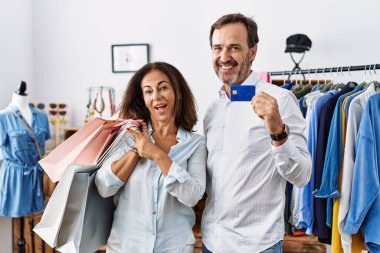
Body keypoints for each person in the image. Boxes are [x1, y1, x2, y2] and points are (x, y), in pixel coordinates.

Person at [201, 13, 312, 253]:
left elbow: (302, 175)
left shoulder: (281, 100)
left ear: (252, 52)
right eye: (217, 48)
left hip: (257, 245)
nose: (224, 57)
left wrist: (277, 131)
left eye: (234, 48)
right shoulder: (211, 109)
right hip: (212, 241)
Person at [95, 61, 207, 253]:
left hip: (174, 246)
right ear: (143, 99)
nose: (156, 97)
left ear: (177, 92)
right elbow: (104, 187)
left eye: (163, 88)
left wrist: (156, 154)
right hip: (126, 246)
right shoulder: (127, 136)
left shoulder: (196, 143)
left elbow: (192, 196)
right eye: (148, 91)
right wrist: (137, 150)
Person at [0, 81, 50, 217]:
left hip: (37, 176)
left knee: (36, 217)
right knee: (18, 219)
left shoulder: (42, 116)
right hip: (15, 178)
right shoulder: (3, 117)